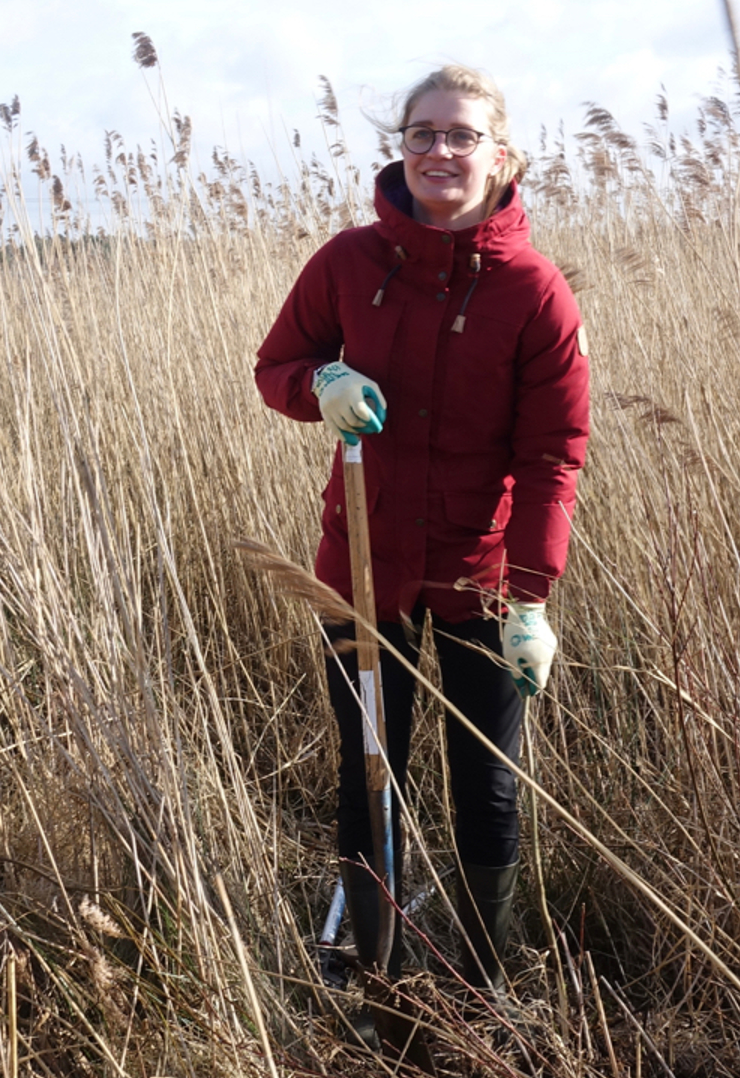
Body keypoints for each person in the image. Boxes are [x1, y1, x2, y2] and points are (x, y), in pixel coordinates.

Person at [254, 64, 591, 1034]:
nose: (440, 151)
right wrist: (317, 379)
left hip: (480, 580)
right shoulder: (350, 263)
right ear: (402, 148)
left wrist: (530, 600)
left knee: (485, 783)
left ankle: (481, 994)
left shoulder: (535, 292)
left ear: (501, 155)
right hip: (360, 570)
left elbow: (551, 457)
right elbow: (276, 366)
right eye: (422, 134)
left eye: (460, 135)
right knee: (370, 772)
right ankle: (377, 984)